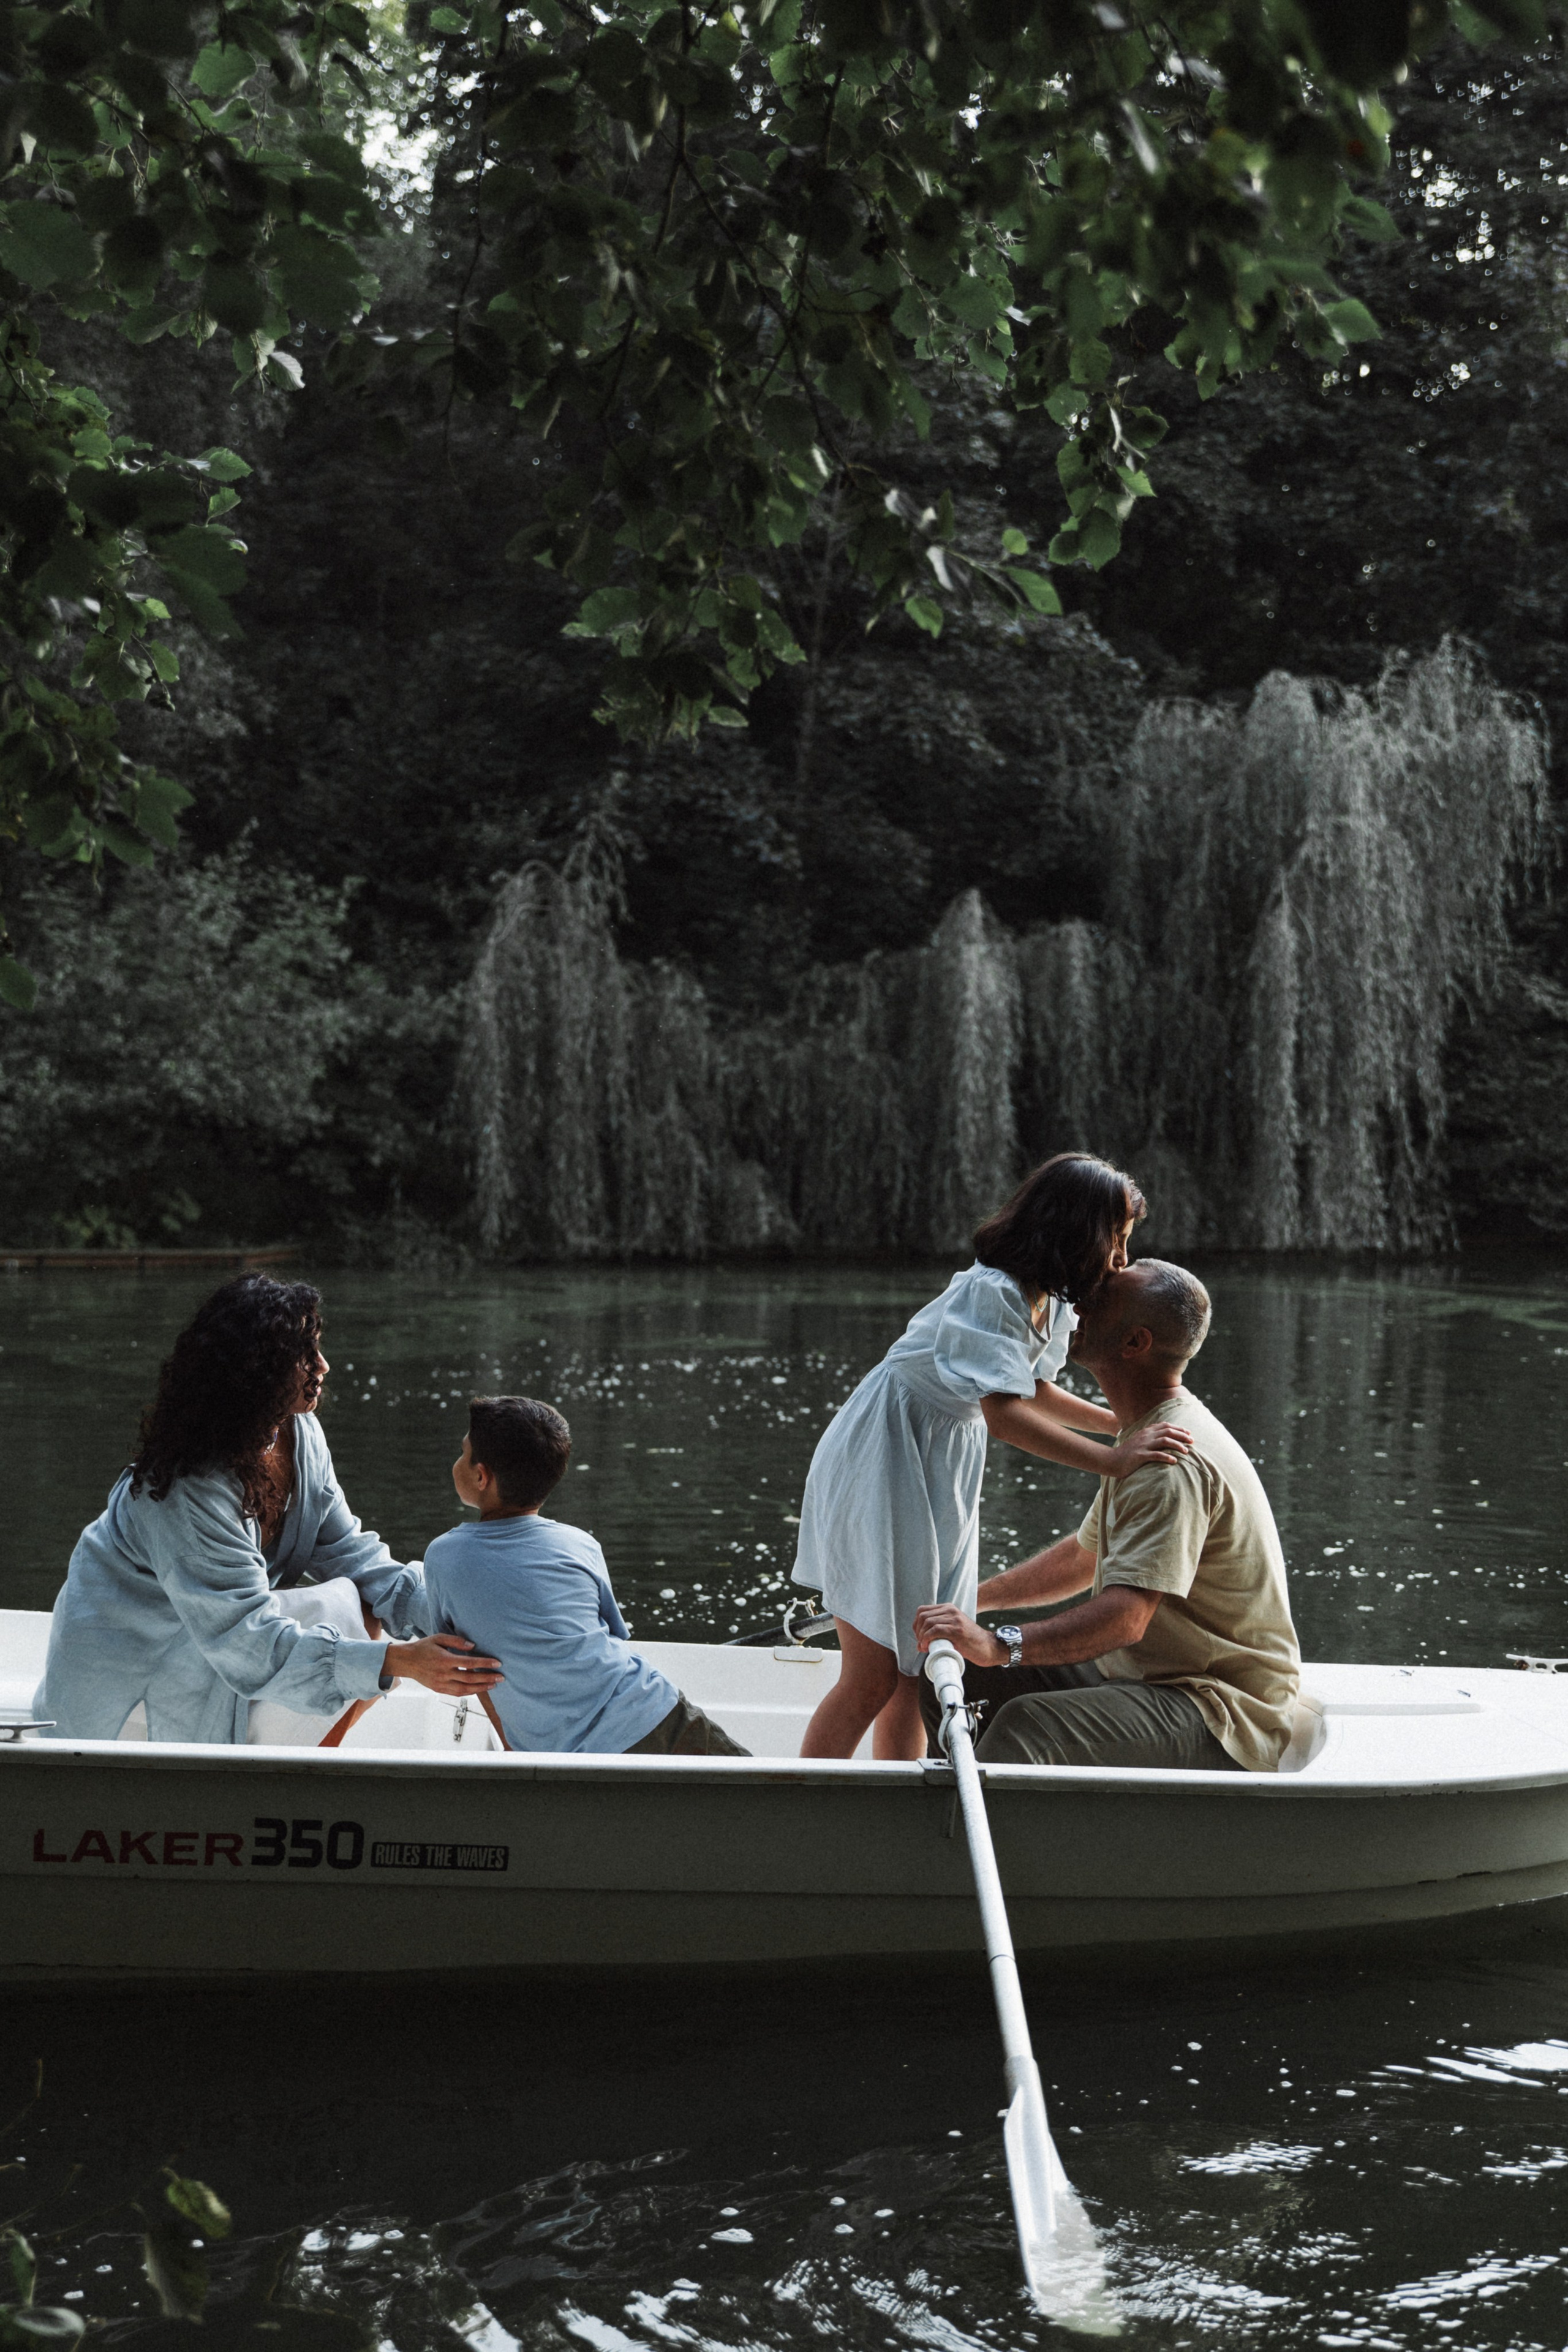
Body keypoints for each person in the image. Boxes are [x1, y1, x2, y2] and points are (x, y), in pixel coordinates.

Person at [791, 1153, 1196, 1764]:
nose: (1120, 1259)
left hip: (937, 1460)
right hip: (887, 1449)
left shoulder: (1051, 1301)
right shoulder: (993, 1290)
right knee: (873, 1673)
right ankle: (805, 1810)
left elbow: (1031, 1388)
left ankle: (889, 1810)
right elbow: (1005, 1414)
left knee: (920, 1663)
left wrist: (1120, 1425)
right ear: (1075, 1231)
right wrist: (1114, 1460)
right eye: (1115, 1240)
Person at [38, 1275, 500, 1744]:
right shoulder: (186, 1488)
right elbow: (246, 1640)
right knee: (359, 1636)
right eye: (302, 1356)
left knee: (356, 1605)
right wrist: (401, 1661)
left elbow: (353, 1556)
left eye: (317, 1348)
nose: (323, 1366)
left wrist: (461, 1616)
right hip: (133, 1681)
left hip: (215, 1645)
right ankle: (277, 1795)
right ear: (254, 1371)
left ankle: (295, 1786)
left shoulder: (299, 1436)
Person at [913, 1258, 1301, 1773]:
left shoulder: (1170, 1463)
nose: (1076, 1306)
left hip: (1219, 1709)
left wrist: (998, 1643)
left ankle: (970, 1848)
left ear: (1134, 1343)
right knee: (954, 1671)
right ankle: (947, 1823)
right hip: (1147, 1681)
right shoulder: (1144, 1435)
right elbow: (1082, 1556)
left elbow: (1126, 1618)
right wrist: (970, 1602)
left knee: (1027, 1727)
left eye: (1098, 1301)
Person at [423, 1395, 750, 1756]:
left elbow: (470, 1670)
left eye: (463, 1453)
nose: (457, 1461)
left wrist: (516, 1749)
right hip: (655, 1715)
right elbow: (609, 1639)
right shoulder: (580, 1544)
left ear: (482, 1476)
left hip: (568, 1751)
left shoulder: (443, 1558)